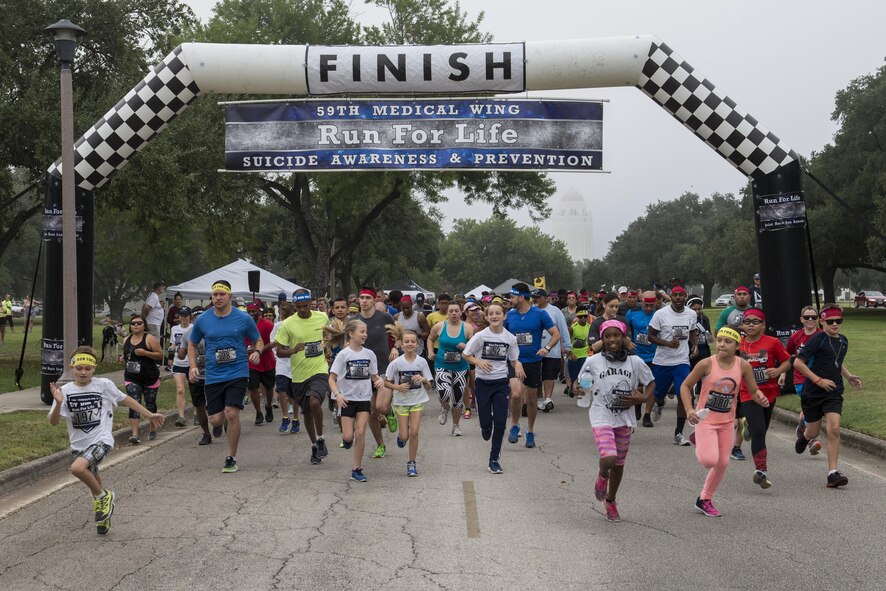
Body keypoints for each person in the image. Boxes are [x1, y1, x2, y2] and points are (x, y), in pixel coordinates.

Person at [49, 346, 164, 534]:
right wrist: (59, 403)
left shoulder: (103, 385)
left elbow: (126, 399)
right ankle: (103, 513)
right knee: (92, 475)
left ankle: (104, 497)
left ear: (94, 368)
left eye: (88, 368)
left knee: (77, 468)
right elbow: (54, 422)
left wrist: (149, 414)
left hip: (102, 439)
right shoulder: (65, 391)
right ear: (72, 368)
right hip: (79, 444)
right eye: (79, 368)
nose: (83, 372)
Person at [574, 320, 655, 522]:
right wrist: (577, 388)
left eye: (616, 335)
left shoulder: (635, 362)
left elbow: (651, 382)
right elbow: (581, 381)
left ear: (623, 338)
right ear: (602, 339)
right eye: (607, 336)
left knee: (618, 464)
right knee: (609, 458)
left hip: (625, 418)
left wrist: (643, 398)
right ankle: (602, 476)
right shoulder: (593, 362)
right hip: (601, 413)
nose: (612, 339)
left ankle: (610, 500)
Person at [682, 327, 765, 517]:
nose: (721, 344)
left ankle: (704, 499)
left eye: (727, 341)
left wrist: (759, 396)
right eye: (719, 340)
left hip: (727, 422)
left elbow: (753, 390)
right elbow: (685, 386)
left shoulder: (743, 365)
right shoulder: (706, 364)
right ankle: (698, 437)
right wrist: (689, 409)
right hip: (706, 420)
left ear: (737, 345)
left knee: (723, 463)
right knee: (709, 460)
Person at [188, 280, 263, 473]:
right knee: (216, 420)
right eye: (215, 295)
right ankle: (220, 426)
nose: (218, 298)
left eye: (222, 294)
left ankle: (231, 457)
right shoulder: (202, 320)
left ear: (229, 296)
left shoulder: (243, 318)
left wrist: (257, 352)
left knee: (232, 413)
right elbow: (192, 344)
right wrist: (193, 366)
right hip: (213, 375)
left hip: (237, 372)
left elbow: (258, 340)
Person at [793, 305, 862, 488]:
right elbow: (798, 363)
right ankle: (805, 436)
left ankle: (832, 473)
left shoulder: (844, 341)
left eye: (838, 321)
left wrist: (849, 377)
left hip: (833, 392)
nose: (834, 324)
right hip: (813, 393)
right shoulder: (817, 340)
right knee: (814, 431)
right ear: (822, 321)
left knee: (834, 429)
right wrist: (818, 381)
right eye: (830, 321)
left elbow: (836, 362)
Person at [462, 301, 521, 474]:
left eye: (498, 313)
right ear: (487, 317)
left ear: (504, 316)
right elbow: (466, 354)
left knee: (501, 422)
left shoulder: (510, 338)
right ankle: (485, 427)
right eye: (491, 314)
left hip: (501, 383)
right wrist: (478, 361)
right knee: (487, 421)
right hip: (482, 383)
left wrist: (517, 365)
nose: (494, 316)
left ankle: (494, 459)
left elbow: (514, 358)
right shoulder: (481, 336)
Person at [275, 289, 332, 465]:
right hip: (299, 375)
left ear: (311, 303)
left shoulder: (322, 317)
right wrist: (292, 350)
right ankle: (314, 445)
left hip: (319, 369)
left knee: (315, 402)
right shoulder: (288, 324)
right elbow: (279, 350)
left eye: (305, 306)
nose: (302, 310)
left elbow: (327, 336)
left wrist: (327, 346)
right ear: (294, 306)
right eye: (298, 307)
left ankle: (321, 438)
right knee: (306, 412)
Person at [738, 308, 791, 488]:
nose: (751, 325)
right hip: (748, 394)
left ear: (763, 325)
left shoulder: (772, 342)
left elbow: (787, 361)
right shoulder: (738, 344)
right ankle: (761, 470)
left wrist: (778, 370)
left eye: (755, 321)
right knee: (759, 431)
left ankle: (749, 426)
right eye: (747, 322)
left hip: (769, 392)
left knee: (762, 429)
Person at [504, 282, 560, 449]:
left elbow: (555, 334)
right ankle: (514, 425)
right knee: (515, 395)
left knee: (531, 400)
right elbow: (503, 335)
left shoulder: (540, 314)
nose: (510, 299)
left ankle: (530, 431)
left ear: (521, 297)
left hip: (533, 362)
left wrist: (546, 348)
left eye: (513, 296)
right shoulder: (510, 315)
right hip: (515, 361)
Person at [328, 319, 385, 482]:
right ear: (351, 334)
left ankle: (357, 469)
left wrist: (379, 381)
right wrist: (338, 394)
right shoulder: (343, 355)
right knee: (348, 436)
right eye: (362, 331)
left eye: (366, 332)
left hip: (364, 399)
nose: (365, 335)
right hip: (346, 400)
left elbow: (374, 375)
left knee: (360, 432)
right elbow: (332, 379)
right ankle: (346, 440)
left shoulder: (369, 354)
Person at [646, 286, 698, 446]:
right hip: (663, 361)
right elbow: (650, 336)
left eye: (680, 295)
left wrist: (694, 345)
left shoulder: (691, 314)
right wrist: (667, 343)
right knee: (659, 393)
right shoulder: (660, 314)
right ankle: (659, 403)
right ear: (670, 297)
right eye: (674, 295)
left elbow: (693, 331)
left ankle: (679, 433)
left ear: (685, 296)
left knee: (683, 393)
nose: (677, 298)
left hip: (681, 361)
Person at [353, 287, 397, 459]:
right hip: (364, 371)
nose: (364, 301)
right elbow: (348, 340)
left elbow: (397, 335)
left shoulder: (384, 317)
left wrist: (395, 347)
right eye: (361, 298)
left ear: (374, 301)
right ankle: (380, 445)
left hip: (384, 368)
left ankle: (389, 411)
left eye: (367, 298)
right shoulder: (354, 320)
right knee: (371, 412)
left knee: (381, 407)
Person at [384, 326, 433, 476]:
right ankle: (401, 436)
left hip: (417, 400)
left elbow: (429, 385)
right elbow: (386, 382)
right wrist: (397, 387)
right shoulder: (396, 363)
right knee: (405, 435)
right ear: (401, 344)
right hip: (401, 402)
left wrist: (423, 379)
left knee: (415, 432)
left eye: (413, 341)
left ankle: (411, 462)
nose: (410, 344)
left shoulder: (422, 362)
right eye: (407, 341)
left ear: (417, 344)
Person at [427, 301, 474, 436]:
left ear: (461, 312)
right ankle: (444, 407)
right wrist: (430, 352)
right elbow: (430, 339)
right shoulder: (439, 326)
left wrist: (466, 347)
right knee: (445, 393)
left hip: (460, 367)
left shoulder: (467, 328)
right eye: (451, 311)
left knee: (458, 399)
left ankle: (456, 426)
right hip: (442, 364)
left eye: (456, 311)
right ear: (447, 313)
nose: (454, 313)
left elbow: (474, 346)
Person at [780, 305, 822, 454]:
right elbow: (787, 357)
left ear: (818, 319)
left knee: (815, 408)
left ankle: (803, 426)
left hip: (819, 378)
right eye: (807, 317)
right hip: (801, 379)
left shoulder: (823, 335)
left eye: (814, 317)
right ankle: (811, 440)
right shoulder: (795, 337)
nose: (810, 320)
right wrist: (783, 374)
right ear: (801, 319)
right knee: (811, 406)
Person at [120, 314, 162, 444]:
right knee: (134, 402)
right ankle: (134, 434)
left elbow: (160, 355)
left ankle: (153, 428)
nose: (136, 325)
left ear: (144, 326)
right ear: (130, 326)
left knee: (150, 403)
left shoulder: (149, 339)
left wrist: (145, 353)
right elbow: (127, 355)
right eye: (133, 323)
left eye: (139, 323)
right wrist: (122, 358)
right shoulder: (126, 339)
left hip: (150, 377)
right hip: (132, 377)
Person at [532, 288, 571, 412]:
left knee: (549, 375)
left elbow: (563, 329)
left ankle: (547, 399)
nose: (535, 299)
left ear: (545, 298)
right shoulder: (531, 310)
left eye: (538, 297)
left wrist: (567, 346)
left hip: (552, 349)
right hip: (535, 349)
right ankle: (538, 398)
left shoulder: (555, 311)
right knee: (537, 375)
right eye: (533, 297)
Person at [178, 307, 212, 445]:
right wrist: (179, 352)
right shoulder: (188, 334)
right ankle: (206, 433)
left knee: (217, 404)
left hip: (214, 375)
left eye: (201, 317)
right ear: (192, 319)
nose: (199, 320)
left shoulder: (213, 332)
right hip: (196, 375)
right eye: (196, 317)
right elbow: (182, 351)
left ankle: (221, 422)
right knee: (199, 406)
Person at [268, 302, 299, 435]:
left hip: (296, 363)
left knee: (295, 394)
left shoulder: (298, 325)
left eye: (287, 314)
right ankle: (285, 418)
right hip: (282, 363)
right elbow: (273, 342)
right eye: (282, 314)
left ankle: (296, 419)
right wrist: (277, 355)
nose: (284, 317)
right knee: (281, 390)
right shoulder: (278, 326)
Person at [629, 291, 659, 427]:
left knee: (652, 385)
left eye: (651, 306)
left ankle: (647, 415)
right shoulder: (632, 313)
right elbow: (625, 330)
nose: (648, 308)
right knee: (637, 384)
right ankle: (637, 406)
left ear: (656, 303)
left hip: (655, 355)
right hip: (637, 354)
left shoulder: (659, 315)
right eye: (646, 305)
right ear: (641, 302)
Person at [245, 303, 277, 425]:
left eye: (254, 311)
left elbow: (273, 342)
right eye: (249, 311)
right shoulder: (245, 324)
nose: (251, 313)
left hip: (267, 361)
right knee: (253, 387)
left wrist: (260, 349)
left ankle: (268, 406)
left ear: (259, 312)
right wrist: (247, 350)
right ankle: (258, 412)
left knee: (269, 387)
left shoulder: (268, 325)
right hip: (252, 362)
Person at [169, 306, 192, 428]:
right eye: (181, 315)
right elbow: (173, 344)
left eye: (186, 315)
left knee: (194, 390)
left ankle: (198, 413)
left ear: (190, 316)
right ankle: (181, 416)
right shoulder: (174, 329)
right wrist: (171, 350)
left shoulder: (194, 328)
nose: (183, 318)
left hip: (192, 363)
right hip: (178, 363)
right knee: (180, 389)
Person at [566, 305, 592, 398]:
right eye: (581, 317)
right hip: (574, 355)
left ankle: (581, 392)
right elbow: (567, 341)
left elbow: (591, 342)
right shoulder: (573, 328)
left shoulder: (589, 327)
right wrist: (569, 354)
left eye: (585, 316)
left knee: (583, 375)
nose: (583, 319)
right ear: (577, 317)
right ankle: (572, 388)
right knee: (574, 375)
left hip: (584, 354)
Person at [164, 292, 183, 371]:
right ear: (174, 301)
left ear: (182, 300)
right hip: (175, 331)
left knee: (183, 346)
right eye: (176, 300)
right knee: (173, 346)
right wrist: (178, 320)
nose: (178, 301)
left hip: (183, 331)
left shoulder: (184, 309)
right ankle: (169, 364)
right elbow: (169, 320)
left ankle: (181, 363)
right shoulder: (172, 309)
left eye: (179, 299)